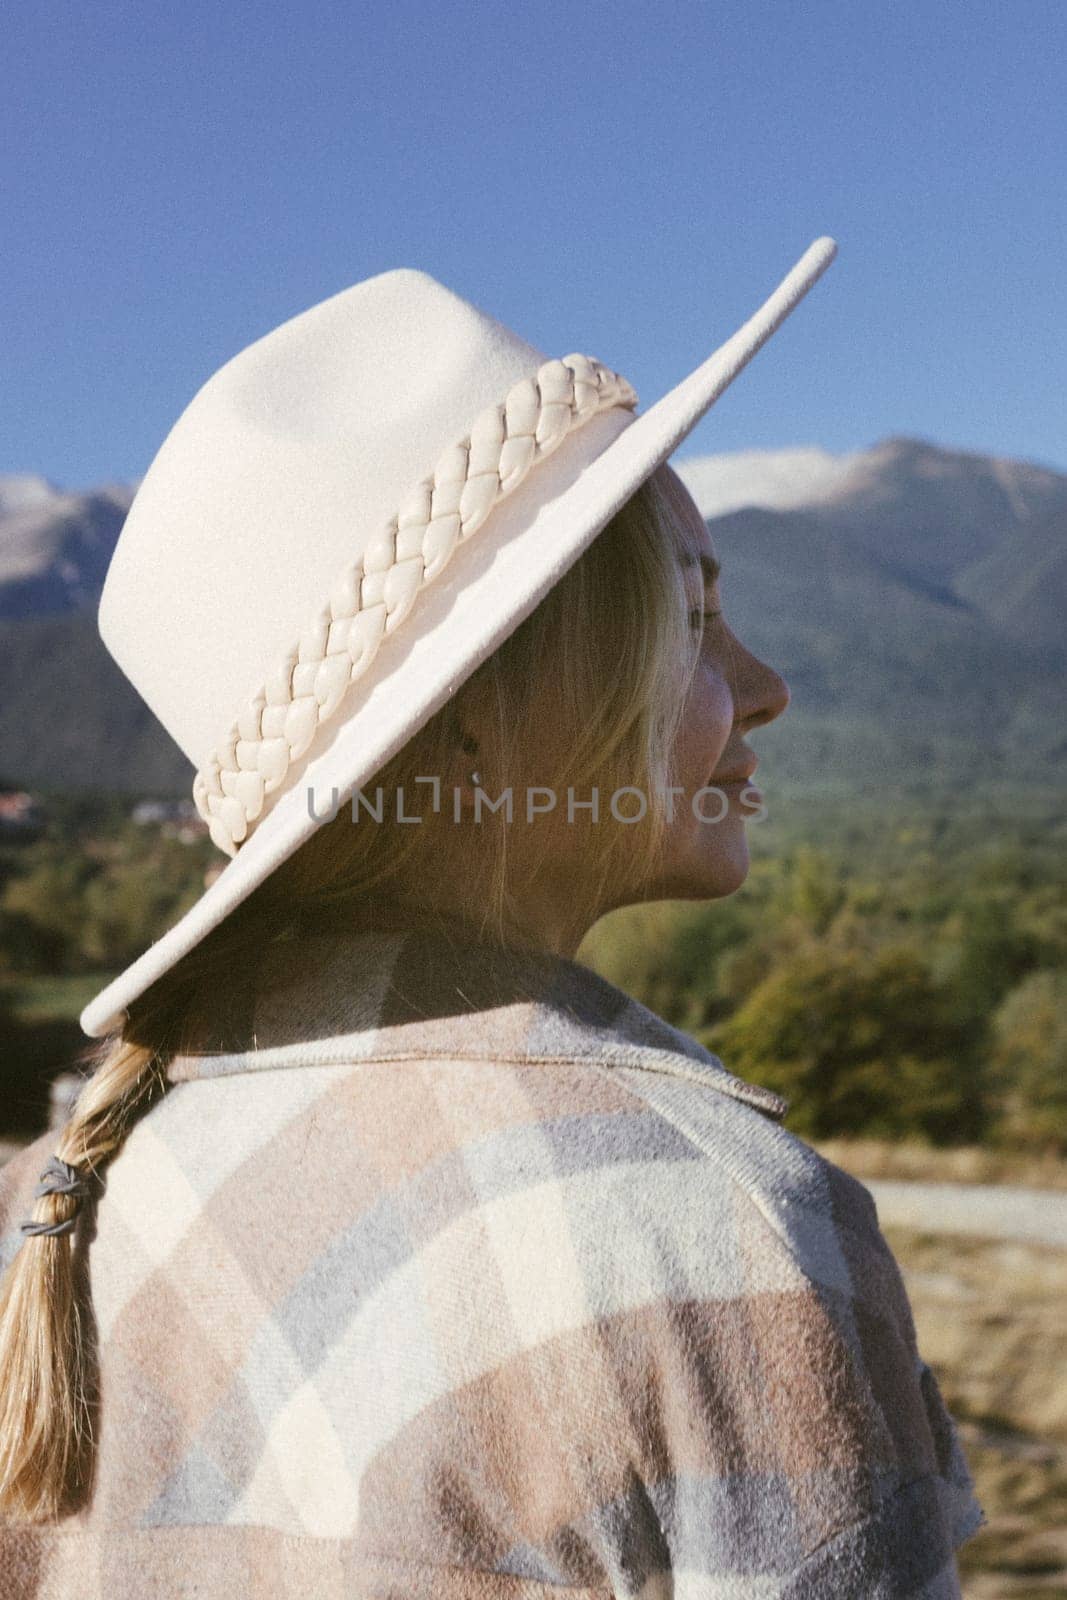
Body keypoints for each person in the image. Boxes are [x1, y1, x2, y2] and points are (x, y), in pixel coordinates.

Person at [0, 242, 985, 1595]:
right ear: (472, 716)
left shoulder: (59, 1210)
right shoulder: (719, 1234)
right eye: (693, 622)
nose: (765, 687)